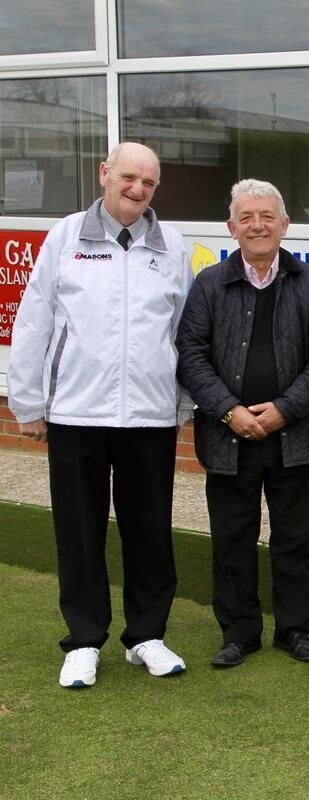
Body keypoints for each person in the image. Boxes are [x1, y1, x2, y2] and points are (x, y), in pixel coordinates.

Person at [8, 142, 191, 688]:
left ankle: (147, 637)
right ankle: (84, 641)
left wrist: (181, 403)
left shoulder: (173, 244)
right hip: (76, 412)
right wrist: (28, 401)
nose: (137, 189)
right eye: (128, 177)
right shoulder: (65, 236)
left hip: (150, 417)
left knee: (150, 532)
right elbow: (34, 319)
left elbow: (183, 332)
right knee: (79, 532)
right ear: (105, 173)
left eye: (149, 183)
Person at [176, 179, 309, 668]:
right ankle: (239, 634)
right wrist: (230, 411)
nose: (257, 225)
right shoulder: (209, 284)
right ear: (231, 226)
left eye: (267, 216)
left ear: (284, 225)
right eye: (247, 217)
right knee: (232, 541)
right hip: (228, 437)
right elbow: (191, 356)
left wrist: (285, 407)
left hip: (294, 436)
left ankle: (293, 631)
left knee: (294, 539)